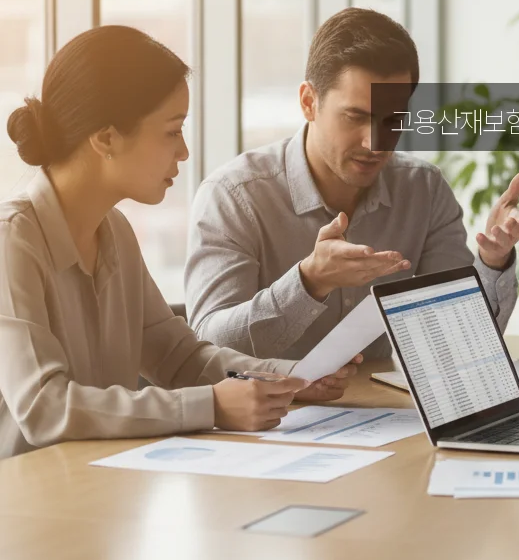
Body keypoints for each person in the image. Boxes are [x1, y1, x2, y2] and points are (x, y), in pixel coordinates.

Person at [0, 26, 356, 461]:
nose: (184, 152)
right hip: (27, 508)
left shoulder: (114, 231)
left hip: (98, 489)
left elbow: (178, 358)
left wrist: (291, 377)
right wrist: (210, 406)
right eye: (172, 131)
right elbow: (43, 407)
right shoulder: (11, 241)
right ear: (106, 138)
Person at [185, 7, 519, 360]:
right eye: (356, 117)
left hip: (387, 411)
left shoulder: (423, 190)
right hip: (277, 413)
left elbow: (459, 346)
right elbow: (207, 349)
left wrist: (492, 263)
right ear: (309, 102)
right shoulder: (233, 196)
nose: (376, 142)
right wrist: (309, 282)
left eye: (393, 119)